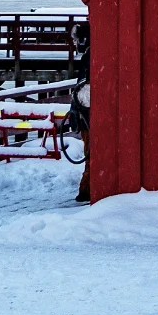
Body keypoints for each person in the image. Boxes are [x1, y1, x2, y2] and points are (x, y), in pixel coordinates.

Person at [70, 24, 91, 203]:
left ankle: (86, 190)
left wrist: (76, 113)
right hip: (88, 116)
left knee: (91, 153)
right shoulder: (91, 55)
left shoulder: (89, 57)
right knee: (91, 152)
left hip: (89, 117)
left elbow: (82, 91)